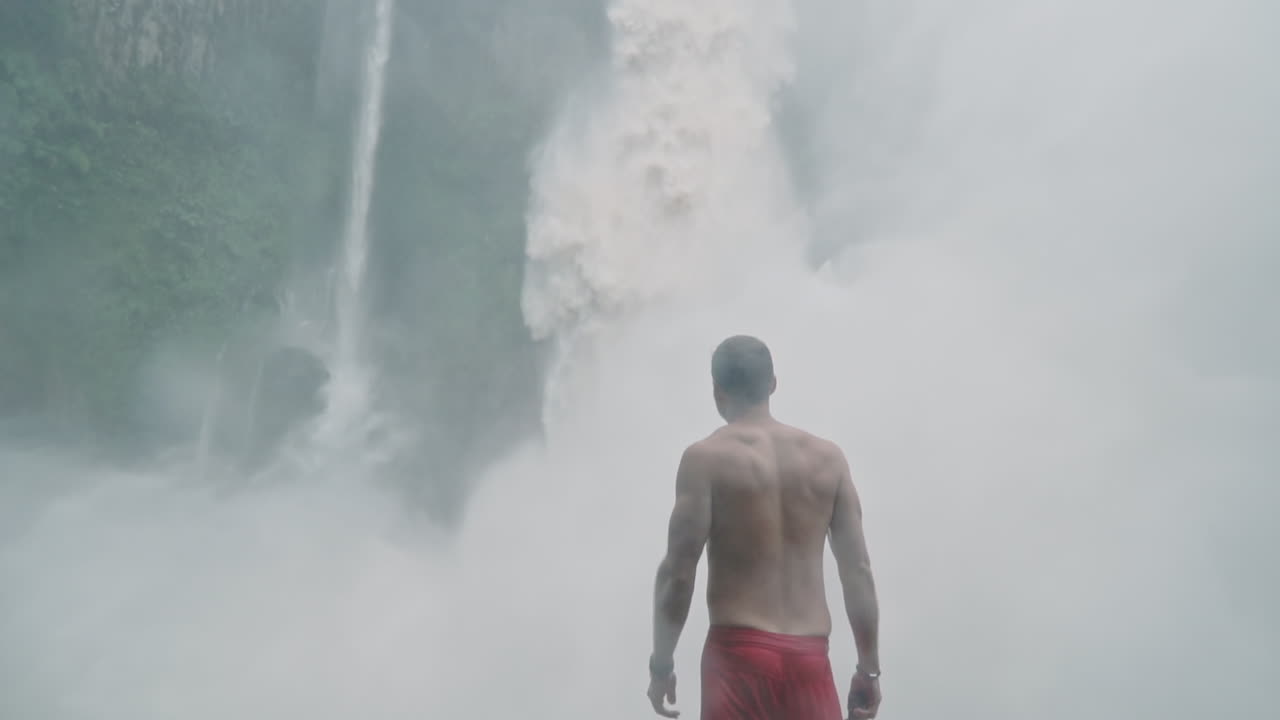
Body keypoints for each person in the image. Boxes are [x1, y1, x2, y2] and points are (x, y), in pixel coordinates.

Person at [647, 335, 882, 720]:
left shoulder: (705, 460)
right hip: (809, 662)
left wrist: (662, 665)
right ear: (773, 383)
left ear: (716, 390)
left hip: (737, 661)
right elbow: (857, 573)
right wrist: (868, 668)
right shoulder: (829, 459)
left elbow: (677, 573)